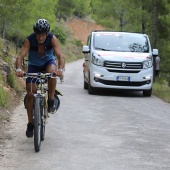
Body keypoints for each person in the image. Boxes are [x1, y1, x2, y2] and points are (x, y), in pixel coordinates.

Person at [15, 19, 65, 138]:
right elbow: (20, 56)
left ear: (47, 33)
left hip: (48, 63)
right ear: (35, 33)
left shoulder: (52, 39)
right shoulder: (29, 40)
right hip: (33, 66)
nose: (40, 38)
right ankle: (30, 124)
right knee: (31, 94)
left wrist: (61, 69)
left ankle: (51, 99)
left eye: (43, 35)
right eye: (38, 35)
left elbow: (60, 55)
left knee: (52, 72)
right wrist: (18, 69)